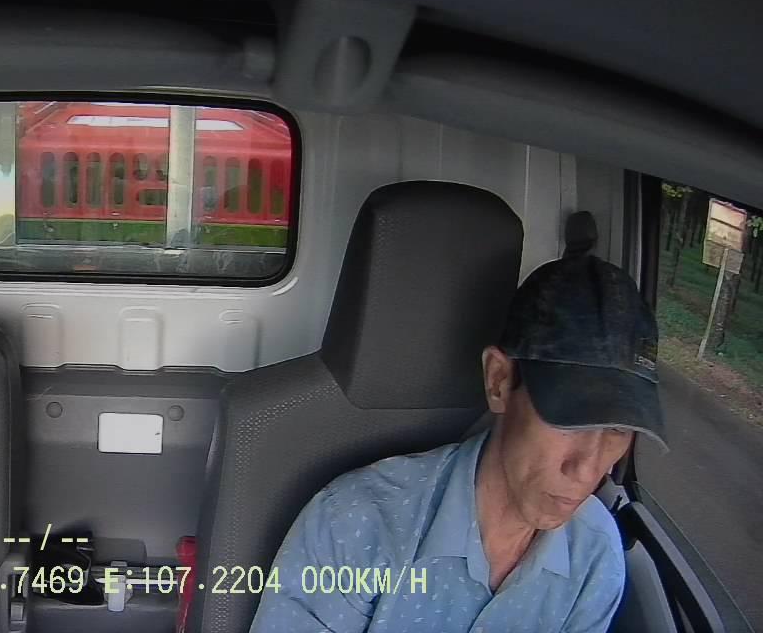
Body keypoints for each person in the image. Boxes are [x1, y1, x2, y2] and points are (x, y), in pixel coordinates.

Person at [250, 252, 665, 633]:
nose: (588, 470)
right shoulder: (355, 526)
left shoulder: (595, 554)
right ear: (499, 381)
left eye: (617, 429)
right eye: (568, 421)